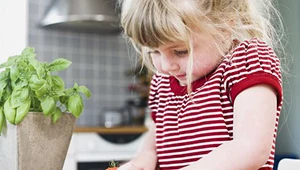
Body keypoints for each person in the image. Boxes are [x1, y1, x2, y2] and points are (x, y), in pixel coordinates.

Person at [117, 0, 285, 169]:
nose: (167, 66)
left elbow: (250, 148)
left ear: (224, 28)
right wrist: (141, 161)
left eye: (180, 51)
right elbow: (152, 146)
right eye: (154, 51)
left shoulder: (246, 62)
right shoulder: (163, 83)